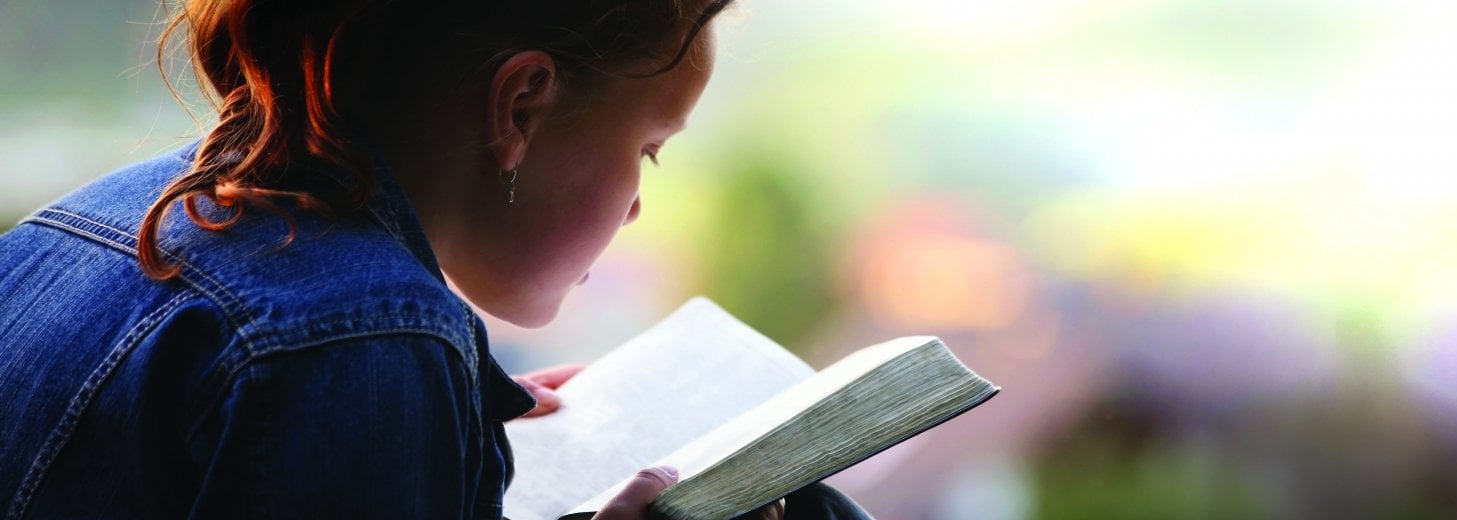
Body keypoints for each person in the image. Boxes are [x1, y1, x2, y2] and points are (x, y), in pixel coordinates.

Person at [0, 0, 871, 518]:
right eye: (648, 149)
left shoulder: (88, 223)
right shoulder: (365, 339)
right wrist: (392, 390)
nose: (640, 203)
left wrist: (440, 430)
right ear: (521, 106)